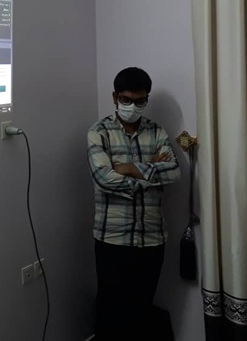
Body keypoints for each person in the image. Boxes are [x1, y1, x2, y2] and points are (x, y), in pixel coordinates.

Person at [87, 67, 180, 341]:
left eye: (140, 101)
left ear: (146, 99)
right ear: (114, 97)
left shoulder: (156, 131)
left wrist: (128, 168)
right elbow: (104, 179)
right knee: (111, 314)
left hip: (151, 238)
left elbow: (174, 172)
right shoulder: (99, 131)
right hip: (112, 238)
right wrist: (151, 171)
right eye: (126, 100)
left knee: (141, 312)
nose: (132, 106)